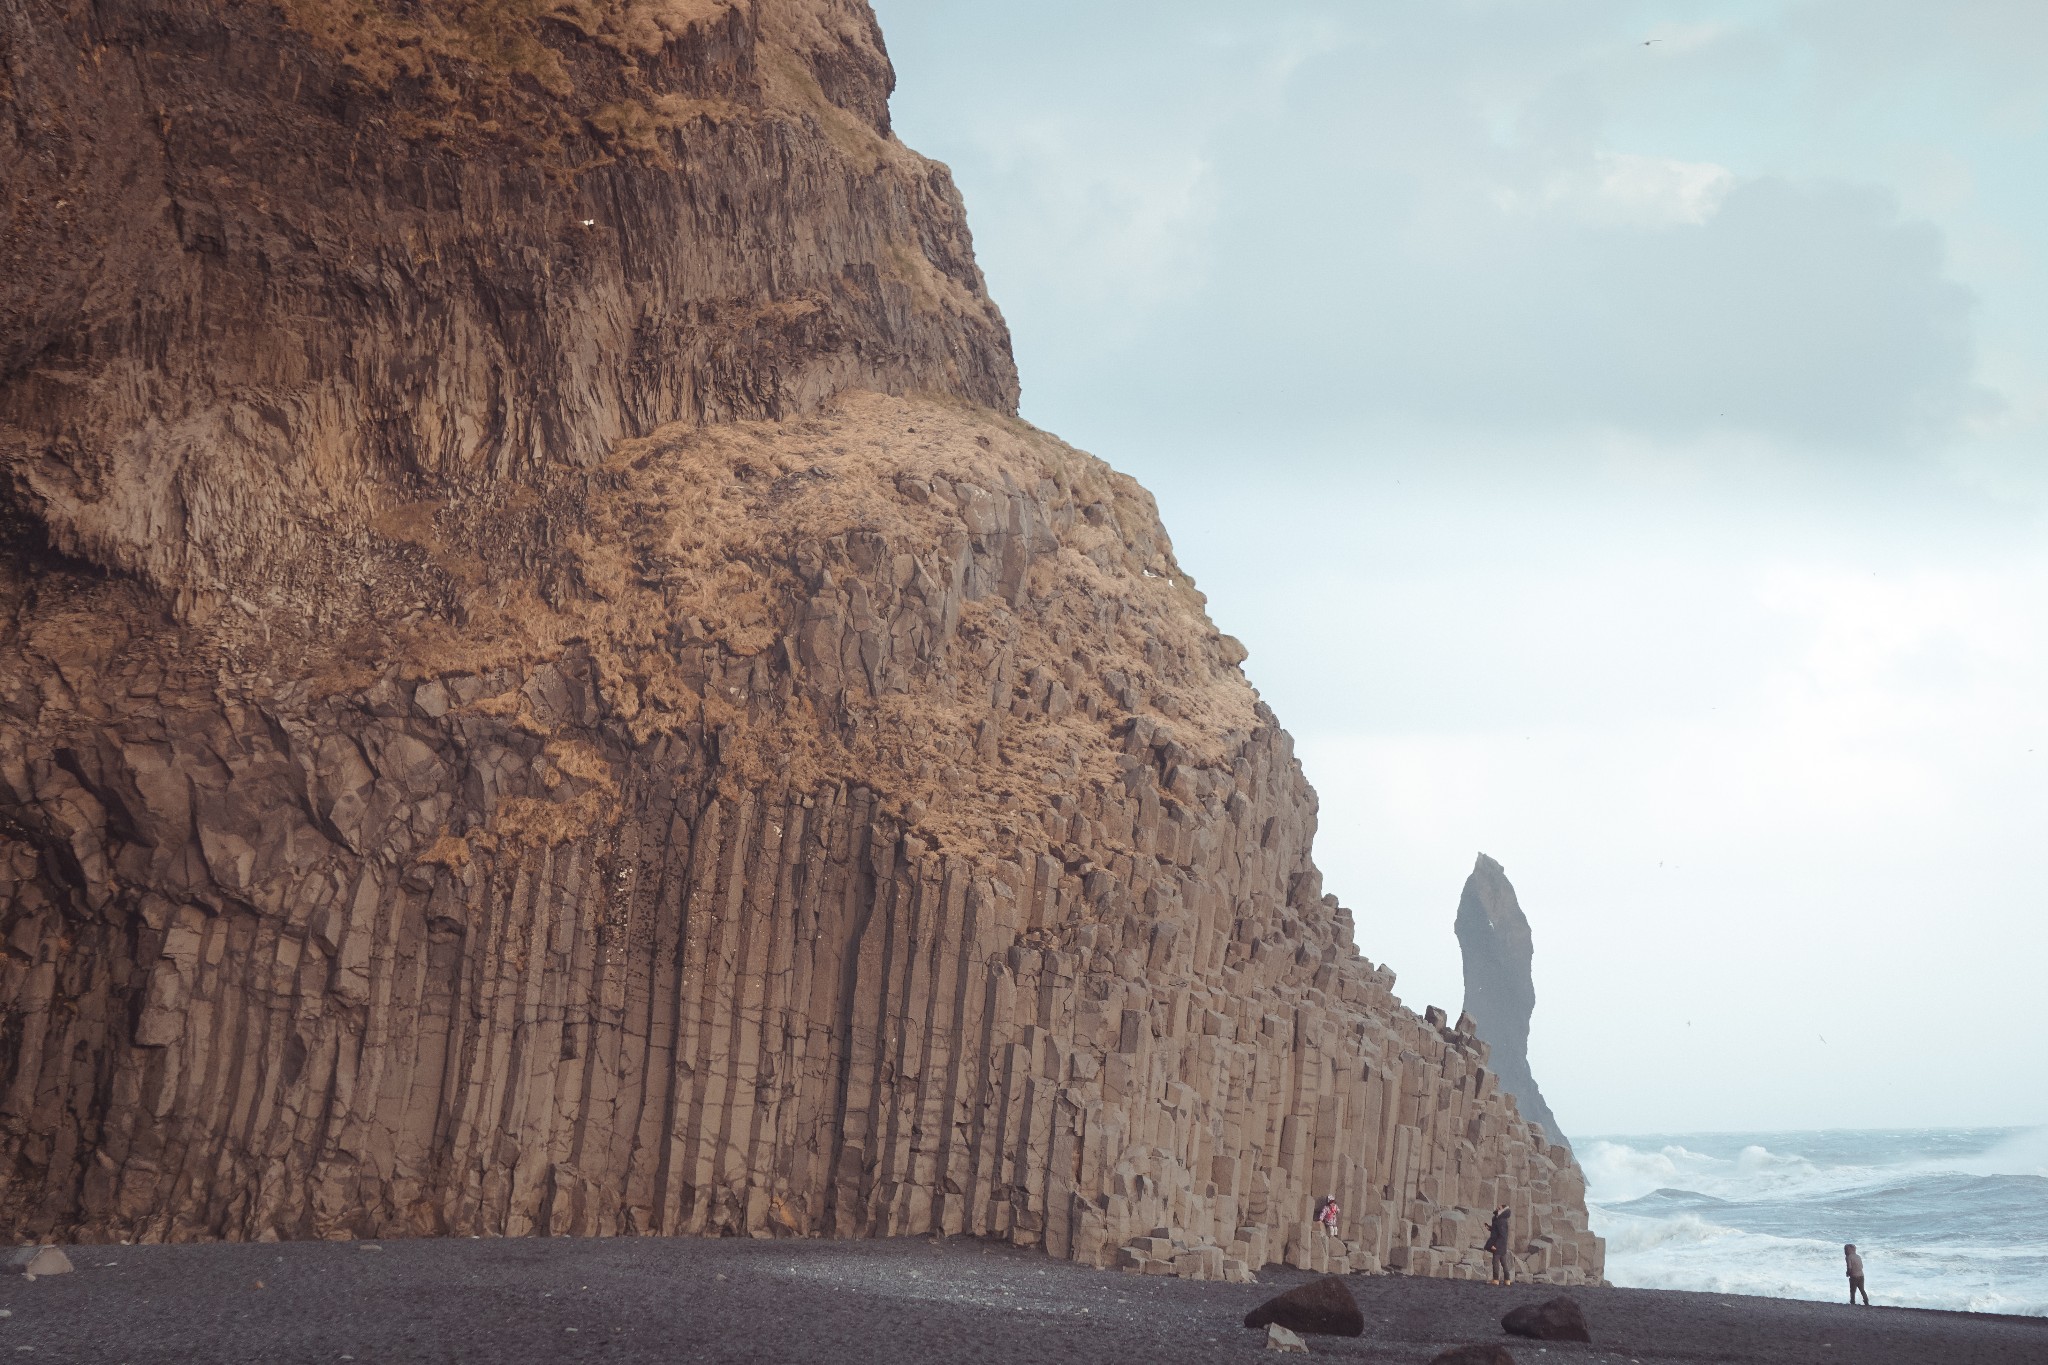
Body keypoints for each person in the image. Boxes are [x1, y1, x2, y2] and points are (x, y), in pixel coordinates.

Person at [1484, 1203, 1513, 1285]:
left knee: (1495, 1262)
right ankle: (1507, 1280)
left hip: (1498, 1246)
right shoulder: (1500, 1219)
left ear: (1503, 1210)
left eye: (1499, 1208)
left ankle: (1496, 1280)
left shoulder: (1501, 1220)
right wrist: (1489, 1228)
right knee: (1504, 1263)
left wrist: (1495, 1245)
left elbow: (1502, 1235)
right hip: (1502, 1246)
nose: (1497, 1208)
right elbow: (1497, 1231)